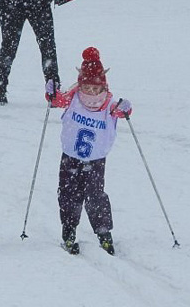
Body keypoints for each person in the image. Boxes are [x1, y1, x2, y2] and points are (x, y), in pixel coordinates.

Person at [45, 47, 132, 255]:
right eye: (87, 87)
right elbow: (57, 100)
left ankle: (104, 234)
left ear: (103, 86)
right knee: (68, 195)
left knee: (95, 196)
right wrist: (51, 92)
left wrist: (126, 109)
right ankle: (69, 231)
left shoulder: (109, 104)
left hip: (95, 160)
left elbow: (122, 110)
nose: (91, 93)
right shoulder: (73, 98)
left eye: (96, 88)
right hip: (70, 157)